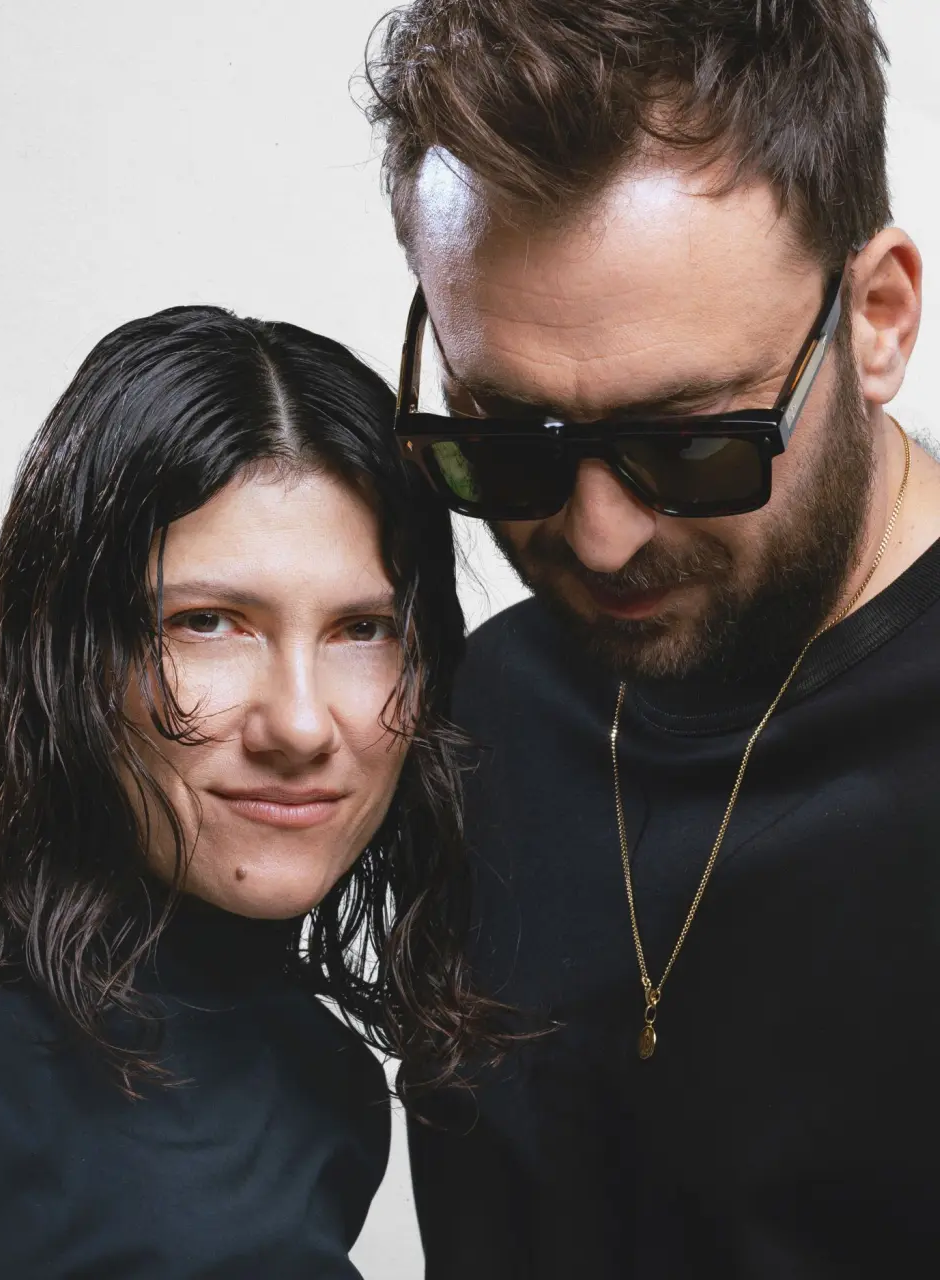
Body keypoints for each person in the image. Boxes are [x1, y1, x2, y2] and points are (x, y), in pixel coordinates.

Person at [365, 1, 940, 1275]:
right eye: (509, 438)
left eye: (689, 444)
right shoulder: (475, 712)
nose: (601, 537)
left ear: (877, 316)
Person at [0, 306, 502, 1277]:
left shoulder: (326, 1080)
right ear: (65, 651)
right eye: (208, 622)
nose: (301, 725)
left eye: (362, 629)